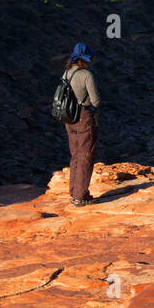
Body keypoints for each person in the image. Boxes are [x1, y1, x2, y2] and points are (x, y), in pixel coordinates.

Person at [63, 42, 101, 206]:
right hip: (84, 116)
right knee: (86, 155)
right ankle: (80, 197)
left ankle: (74, 192)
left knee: (76, 155)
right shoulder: (86, 75)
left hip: (69, 118)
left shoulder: (67, 73)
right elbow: (95, 100)